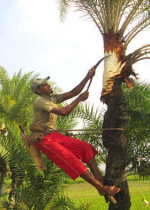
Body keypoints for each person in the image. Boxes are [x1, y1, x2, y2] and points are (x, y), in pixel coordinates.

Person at [29, 66, 120, 196]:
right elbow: (64, 112)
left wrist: (88, 76)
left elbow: (73, 92)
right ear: (38, 90)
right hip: (44, 139)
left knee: (85, 147)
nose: (48, 85)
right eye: (44, 85)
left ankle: (99, 177)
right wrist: (79, 99)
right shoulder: (40, 101)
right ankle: (100, 187)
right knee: (72, 161)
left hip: (54, 135)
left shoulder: (52, 98)